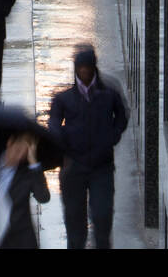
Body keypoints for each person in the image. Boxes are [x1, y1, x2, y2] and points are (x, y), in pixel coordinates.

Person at [47, 45, 129, 249]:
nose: (84, 72)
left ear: (93, 68)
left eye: (87, 68)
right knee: (75, 224)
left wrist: (112, 136)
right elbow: (54, 123)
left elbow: (122, 115)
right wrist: (62, 142)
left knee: (102, 216)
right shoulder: (63, 98)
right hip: (73, 166)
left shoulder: (108, 94)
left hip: (101, 166)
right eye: (80, 68)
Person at [0, 133, 50, 249]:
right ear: (10, 142)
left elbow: (44, 197)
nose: (20, 156)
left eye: (24, 152)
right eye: (18, 150)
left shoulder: (27, 172)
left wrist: (34, 164)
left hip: (21, 239)